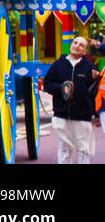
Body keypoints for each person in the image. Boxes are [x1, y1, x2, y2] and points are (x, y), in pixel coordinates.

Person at [42, 34, 99, 163]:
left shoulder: (89, 67)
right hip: (62, 115)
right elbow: (47, 85)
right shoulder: (58, 64)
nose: (77, 46)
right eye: (75, 43)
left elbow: (95, 92)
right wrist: (61, 88)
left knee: (84, 150)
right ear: (71, 45)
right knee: (64, 151)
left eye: (81, 45)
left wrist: (95, 79)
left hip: (82, 116)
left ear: (85, 51)